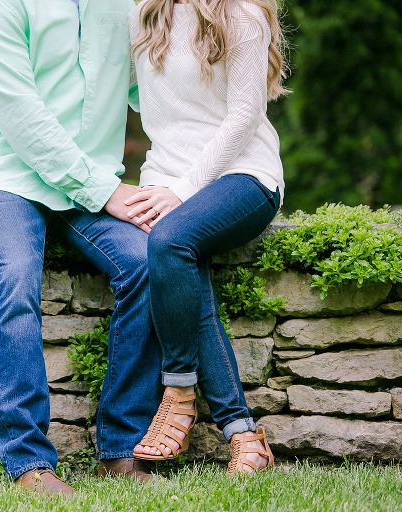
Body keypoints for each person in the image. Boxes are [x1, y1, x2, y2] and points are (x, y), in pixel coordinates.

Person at [0, 0, 163, 496]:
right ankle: (29, 462)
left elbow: (154, 88)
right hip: (4, 176)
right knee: (17, 278)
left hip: (87, 185)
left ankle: (122, 449)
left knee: (150, 264)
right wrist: (105, 191)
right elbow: (19, 111)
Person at [124, 0, 288, 473]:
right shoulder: (145, 13)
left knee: (170, 242)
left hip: (243, 175)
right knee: (181, 264)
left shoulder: (242, 15)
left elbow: (244, 117)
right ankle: (244, 436)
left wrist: (182, 189)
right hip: (167, 182)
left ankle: (177, 391)